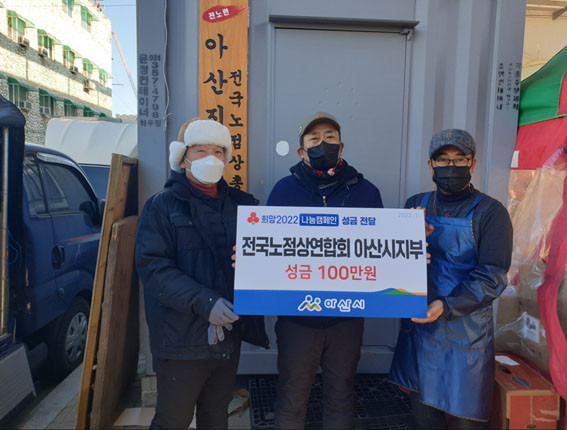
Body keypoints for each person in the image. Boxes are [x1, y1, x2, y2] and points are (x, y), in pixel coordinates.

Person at [135, 118, 269, 429]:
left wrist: (254, 262)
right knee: (173, 420)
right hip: (180, 340)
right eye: (200, 151)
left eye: (218, 151)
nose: (211, 158)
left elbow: (262, 260)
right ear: (183, 158)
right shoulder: (161, 206)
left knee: (216, 416)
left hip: (227, 338)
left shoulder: (243, 207)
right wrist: (206, 302)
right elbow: (153, 268)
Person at [389, 129, 513, 429]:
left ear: (472, 163)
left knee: (465, 420)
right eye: (443, 160)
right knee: (423, 417)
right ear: (430, 165)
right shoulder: (415, 205)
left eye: (459, 159)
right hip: (420, 332)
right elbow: (393, 260)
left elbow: (492, 275)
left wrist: (446, 305)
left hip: (466, 335)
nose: (451, 166)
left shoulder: (491, 212)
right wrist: (413, 244)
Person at [267, 112, 384, 429]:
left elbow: (381, 251)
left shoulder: (366, 192)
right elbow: (267, 251)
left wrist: (411, 253)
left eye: (330, 137)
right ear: (301, 151)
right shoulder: (283, 191)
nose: (323, 144)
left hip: (346, 318)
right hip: (296, 319)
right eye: (314, 139)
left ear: (341, 146)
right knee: (291, 396)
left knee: (340, 396)